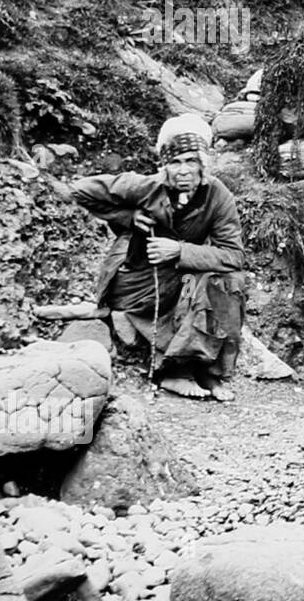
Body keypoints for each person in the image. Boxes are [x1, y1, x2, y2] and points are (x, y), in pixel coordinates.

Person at [64, 115, 247, 401]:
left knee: (225, 282)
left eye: (191, 161)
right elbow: (80, 190)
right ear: (164, 167)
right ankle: (176, 371)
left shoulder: (217, 196)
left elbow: (234, 255)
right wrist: (128, 217)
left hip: (179, 277)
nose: (183, 170)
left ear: (203, 164)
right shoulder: (145, 186)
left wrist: (179, 251)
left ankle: (211, 373)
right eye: (175, 162)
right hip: (137, 283)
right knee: (197, 283)